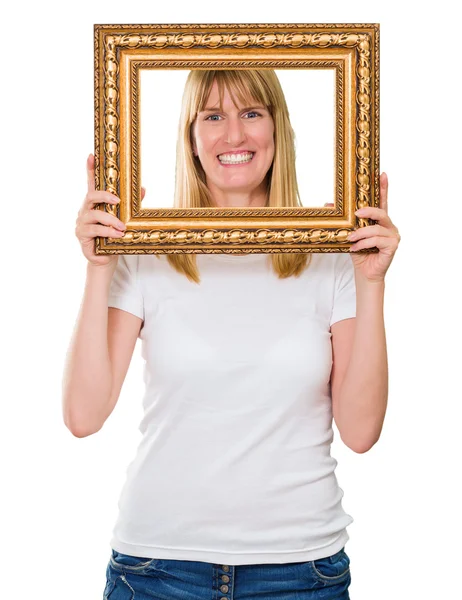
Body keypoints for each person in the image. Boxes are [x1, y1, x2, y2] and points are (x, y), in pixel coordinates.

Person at [63, 69, 400, 600]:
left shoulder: (331, 257)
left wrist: (372, 283)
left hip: (299, 570)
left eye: (251, 113)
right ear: (191, 137)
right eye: (213, 116)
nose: (234, 136)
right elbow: (83, 416)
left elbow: (361, 432)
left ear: (277, 128)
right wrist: (99, 265)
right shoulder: (148, 254)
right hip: (158, 569)